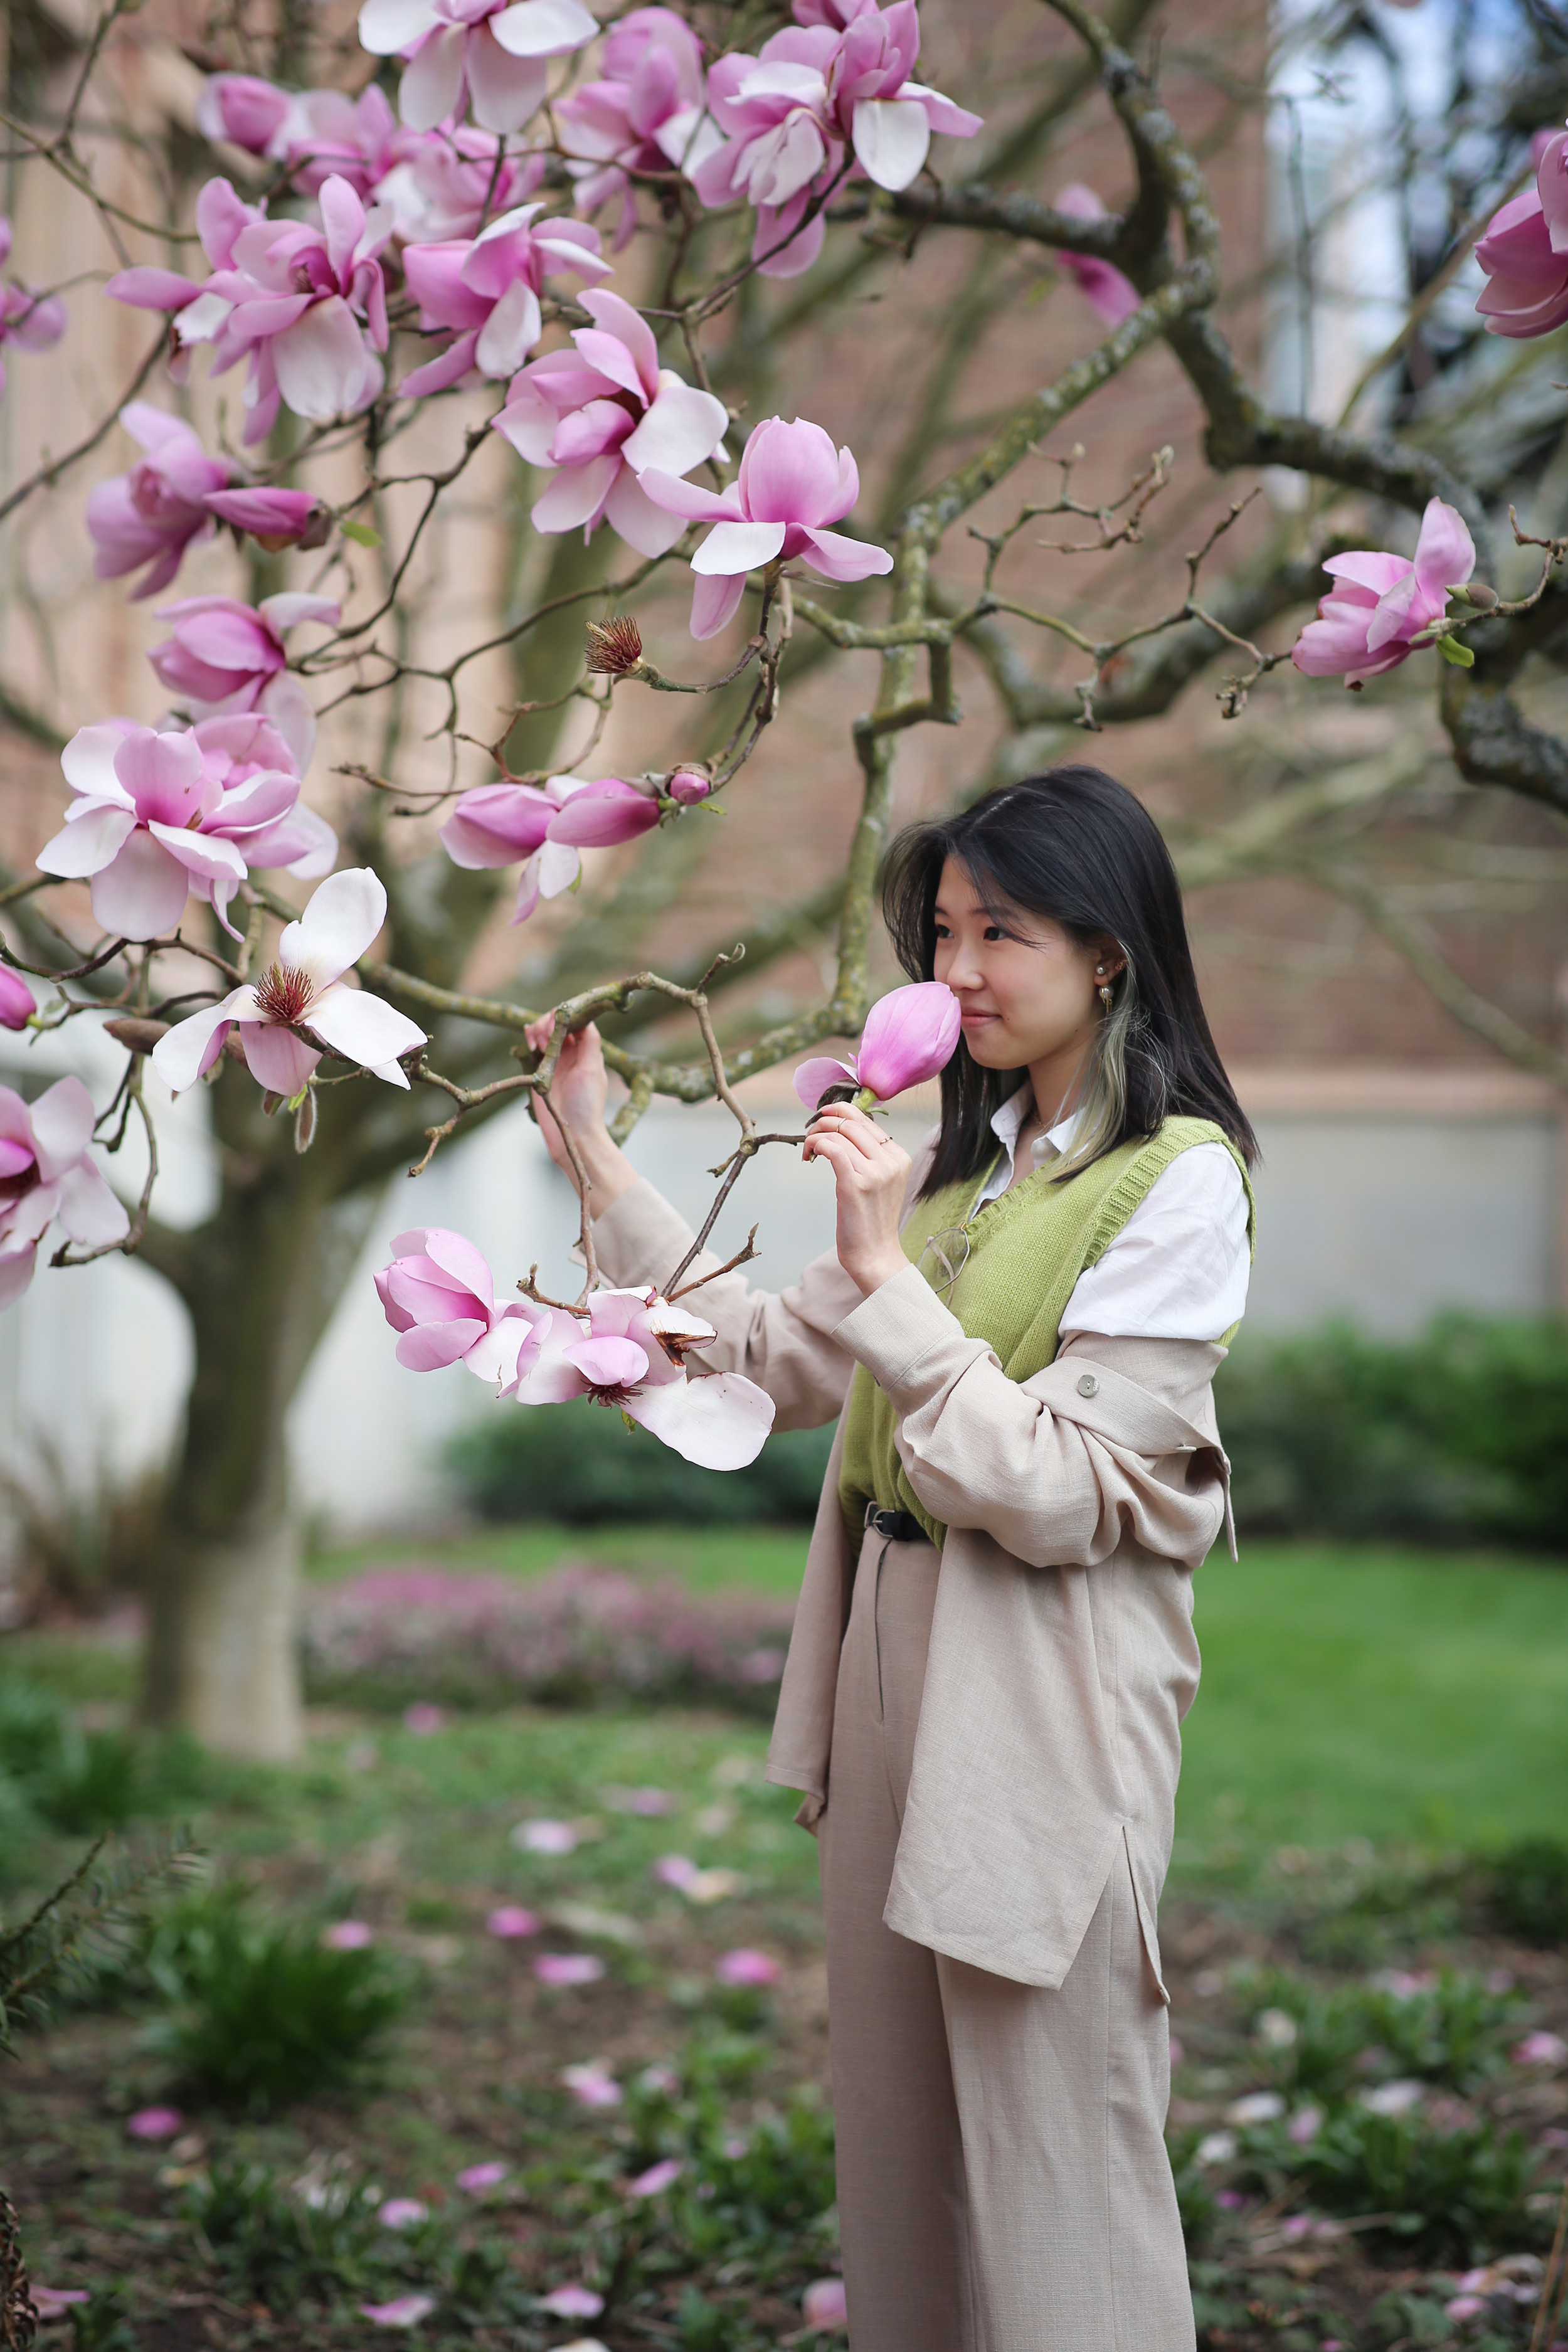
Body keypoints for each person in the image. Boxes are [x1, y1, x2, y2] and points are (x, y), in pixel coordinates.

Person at [529, 765, 1258, 2352]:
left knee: (1053, 2126)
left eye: (999, 932)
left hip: (1041, 1674)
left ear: (1108, 952)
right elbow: (774, 1361)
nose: (956, 973)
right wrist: (594, 1157)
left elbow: (1066, 1490)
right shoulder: (959, 1165)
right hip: (881, 1638)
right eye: (941, 932)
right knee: (903, 2138)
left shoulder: (1176, 1181)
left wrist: (884, 1280)